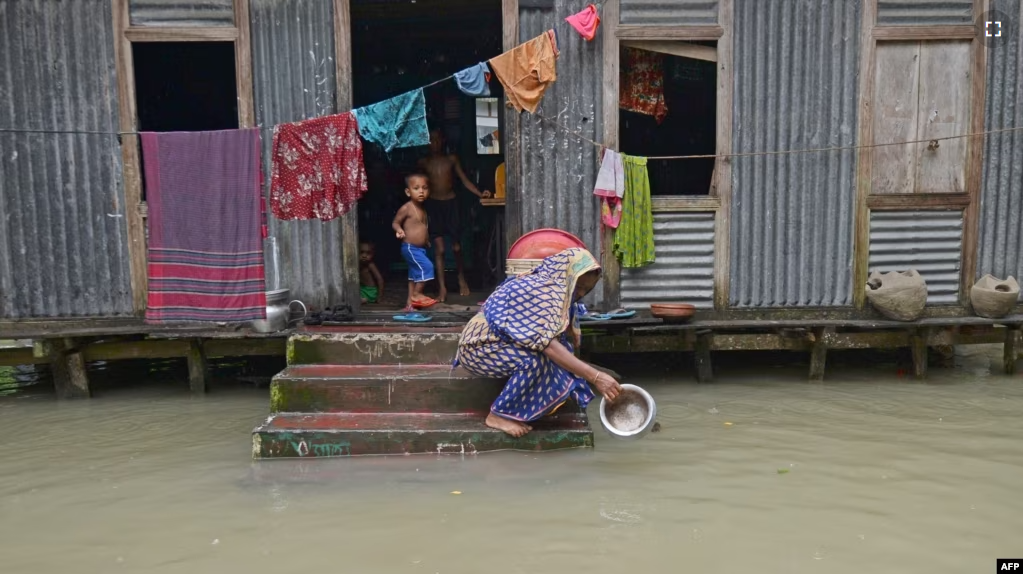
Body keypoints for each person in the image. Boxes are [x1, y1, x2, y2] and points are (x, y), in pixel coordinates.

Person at [454, 247, 623, 437]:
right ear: (568, 277)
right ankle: (497, 415)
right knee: (534, 361)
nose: (580, 293)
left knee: (556, 357)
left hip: (502, 341)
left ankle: (528, 407)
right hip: (479, 348)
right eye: (579, 286)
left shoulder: (557, 288)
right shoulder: (544, 292)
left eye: (586, 289)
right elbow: (548, 345)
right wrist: (596, 377)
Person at [418, 129, 491, 301]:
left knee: (456, 247)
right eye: (431, 140)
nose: (434, 143)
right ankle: (442, 288)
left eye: (437, 139)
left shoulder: (451, 159)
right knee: (440, 249)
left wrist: (481, 194)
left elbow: (464, 180)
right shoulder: (423, 162)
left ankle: (461, 277)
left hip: (451, 204)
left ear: (443, 140)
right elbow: (418, 186)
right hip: (433, 206)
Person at [392, 174, 437, 310]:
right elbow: (395, 222)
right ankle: (417, 294)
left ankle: (409, 305)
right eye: (416, 188)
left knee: (413, 278)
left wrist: (426, 240)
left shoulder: (422, 208)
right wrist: (399, 230)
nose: (421, 191)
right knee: (427, 267)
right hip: (410, 248)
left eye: (425, 188)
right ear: (408, 192)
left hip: (420, 248)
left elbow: (422, 227)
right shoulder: (407, 207)